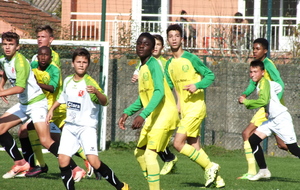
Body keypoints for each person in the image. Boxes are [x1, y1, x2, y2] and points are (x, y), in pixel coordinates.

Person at [46, 48, 129, 190]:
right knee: (63, 160)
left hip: (86, 127)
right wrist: (52, 109)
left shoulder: (90, 83)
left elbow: (105, 102)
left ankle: (121, 187)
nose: (81, 64)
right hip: (70, 126)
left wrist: (97, 92)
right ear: (72, 63)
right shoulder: (67, 81)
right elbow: (62, 98)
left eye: (84, 62)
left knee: (94, 161)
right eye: (78, 62)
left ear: (88, 64)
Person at [0, 31, 72, 179]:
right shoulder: (3, 59)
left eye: (11, 44)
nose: (7, 47)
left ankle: (74, 168)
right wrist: (2, 87)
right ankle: (20, 163)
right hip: (24, 104)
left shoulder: (20, 62)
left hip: (37, 103)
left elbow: (20, 88)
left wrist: (2, 92)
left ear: (17, 47)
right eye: (5, 44)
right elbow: (6, 72)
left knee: (45, 140)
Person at [164, 24, 225, 188]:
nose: (174, 38)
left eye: (177, 35)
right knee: (194, 145)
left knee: (177, 144)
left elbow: (210, 75)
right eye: (171, 36)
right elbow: (169, 88)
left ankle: (210, 167)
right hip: (184, 110)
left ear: (182, 39)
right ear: (168, 40)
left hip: (196, 107)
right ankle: (218, 179)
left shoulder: (191, 58)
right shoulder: (169, 64)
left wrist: (196, 85)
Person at [118, 33, 179, 190]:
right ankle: (153, 185)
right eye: (139, 43)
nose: (141, 46)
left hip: (165, 115)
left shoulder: (154, 65)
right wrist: (127, 112)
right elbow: (144, 97)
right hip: (154, 116)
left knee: (149, 155)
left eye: (145, 44)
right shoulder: (143, 67)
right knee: (139, 153)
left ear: (152, 49)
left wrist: (143, 115)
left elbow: (159, 92)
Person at [239, 60, 300, 181]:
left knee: (293, 148)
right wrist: (269, 108)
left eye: (255, 72)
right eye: (251, 72)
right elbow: (278, 87)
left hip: (281, 119)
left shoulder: (264, 83)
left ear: (263, 72)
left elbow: (263, 100)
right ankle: (264, 171)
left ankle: (263, 170)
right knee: (253, 139)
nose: (252, 75)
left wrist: (246, 101)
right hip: (272, 120)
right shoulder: (264, 83)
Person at [237, 38, 288, 180]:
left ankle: (253, 171)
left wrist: (272, 106)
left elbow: (280, 84)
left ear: (265, 51)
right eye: (253, 48)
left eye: (257, 49)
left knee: (247, 134)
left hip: (272, 107)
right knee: (282, 145)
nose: (254, 51)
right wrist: (245, 94)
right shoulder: (258, 66)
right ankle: (261, 170)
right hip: (266, 106)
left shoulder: (268, 64)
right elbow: (252, 84)